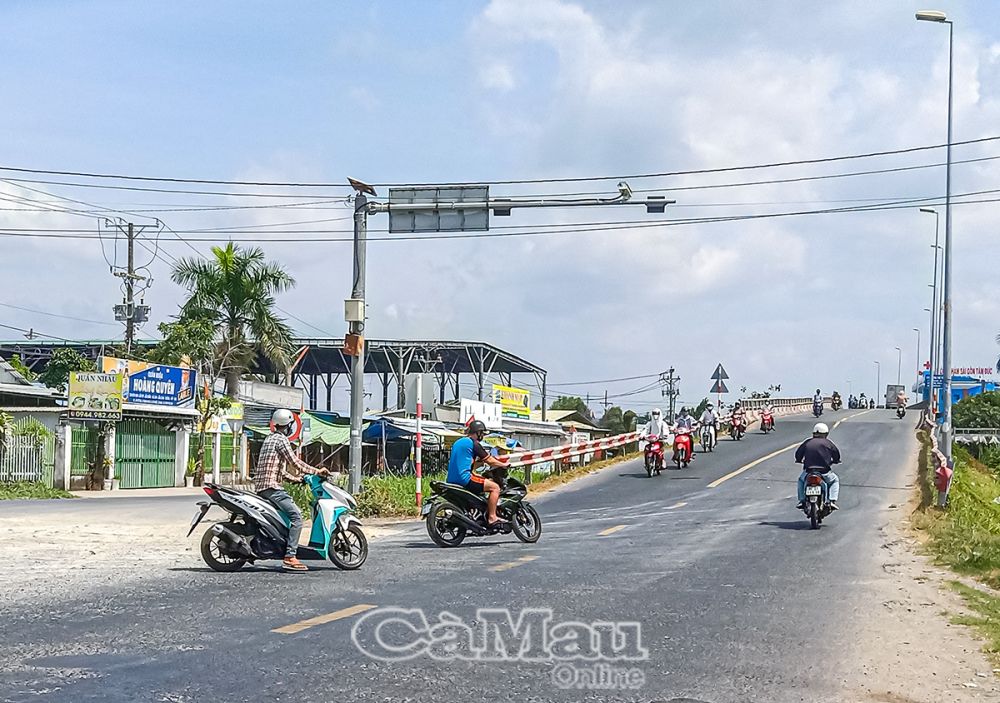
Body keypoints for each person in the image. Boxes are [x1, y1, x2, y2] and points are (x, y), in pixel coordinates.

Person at [254, 409, 329, 572]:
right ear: (287, 426)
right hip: (271, 488)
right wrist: (317, 471)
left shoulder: (269, 439)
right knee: (297, 516)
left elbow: (279, 470)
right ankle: (290, 556)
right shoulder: (281, 440)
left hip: (263, 487)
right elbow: (295, 462)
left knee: (287, 517)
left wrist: (297, 480)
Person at [447, 420, 509, 527]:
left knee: (480, 479)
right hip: (464, 479)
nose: (483, 436)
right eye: (482, 433)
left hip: (451, 479)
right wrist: (503, 465)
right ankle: (492, 517)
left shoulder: (458, 442)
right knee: (495, 487)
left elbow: (468, 462)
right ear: (478, 432)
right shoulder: (473, 443)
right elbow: (489, 460)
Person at [795, 422, 841, 510]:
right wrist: (836, 460)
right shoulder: (828, 443)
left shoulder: (807, 442)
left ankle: (802, 501)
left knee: (801, 480)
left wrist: (798, 460)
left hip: (809, 471)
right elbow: (836, 454)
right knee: (834, 480)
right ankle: (831, 501)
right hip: (824, 472)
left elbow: (798, 454)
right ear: (826, 434)